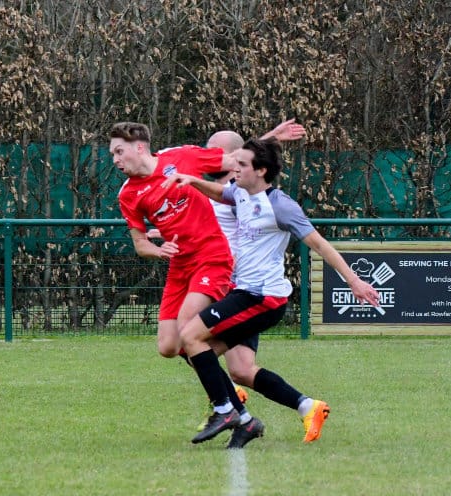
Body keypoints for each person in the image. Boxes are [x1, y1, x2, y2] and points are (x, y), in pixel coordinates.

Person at [167, 137, 381, 447]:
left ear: (261, 171)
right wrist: (192, 180)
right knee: (225, 364)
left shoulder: (281, 206)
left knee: (189, 336)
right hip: (244, 294)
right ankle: (297, 409)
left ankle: (228, 412)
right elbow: (220, 192)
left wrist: (354, 282)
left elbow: (320, 244)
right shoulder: (240, 192)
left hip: (262, 297)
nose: (234, 169)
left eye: (241, 164)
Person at [109, 121, 251, 442]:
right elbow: (140, 243)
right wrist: (159, 251)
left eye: (119, 152)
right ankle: (241, 414)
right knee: (169, 346)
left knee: (189, 330)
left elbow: (235, 158)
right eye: (112, 154)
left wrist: (271, 141)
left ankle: (225, 407)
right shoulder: (128, 194)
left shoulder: (181, 157)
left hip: (212, 255)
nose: (115, 160)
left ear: (139, 147)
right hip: (180, 266)